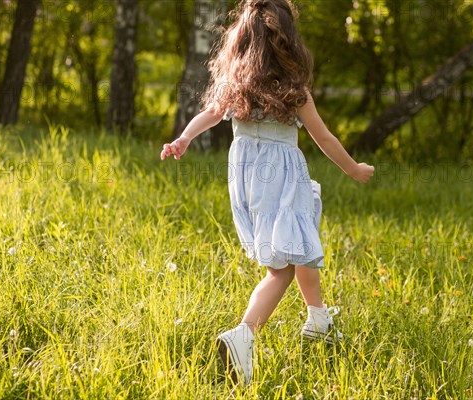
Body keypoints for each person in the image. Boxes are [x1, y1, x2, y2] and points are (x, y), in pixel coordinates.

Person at [160, 0, 374, 385]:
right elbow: (323, 137)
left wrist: (184, 138)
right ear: (288, 41)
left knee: (299, 243)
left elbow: (209, 114)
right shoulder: (294, 91)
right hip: (281, 176)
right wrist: (354, 169)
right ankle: (244, 335)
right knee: (284, 265)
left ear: (240, 43)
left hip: (247, 176)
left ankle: (319, 319)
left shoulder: (236, 84)